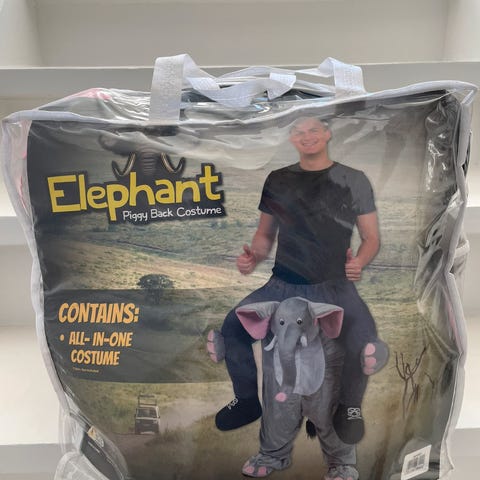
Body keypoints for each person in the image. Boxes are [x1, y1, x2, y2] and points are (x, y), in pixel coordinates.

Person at [210, 116, 388, 444]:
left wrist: (359, 262)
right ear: (291, 138)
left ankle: (349, 407)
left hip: (335, 286)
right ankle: (246, 400)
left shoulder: (354, 179)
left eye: (313, 130)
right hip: (282, 284)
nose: (307, 137)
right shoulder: (278, 179)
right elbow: (265, 235)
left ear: (327, 133)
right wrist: (253, 257)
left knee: (363, 338)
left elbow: (371, 237)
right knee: (233, 327)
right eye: (299, 132)